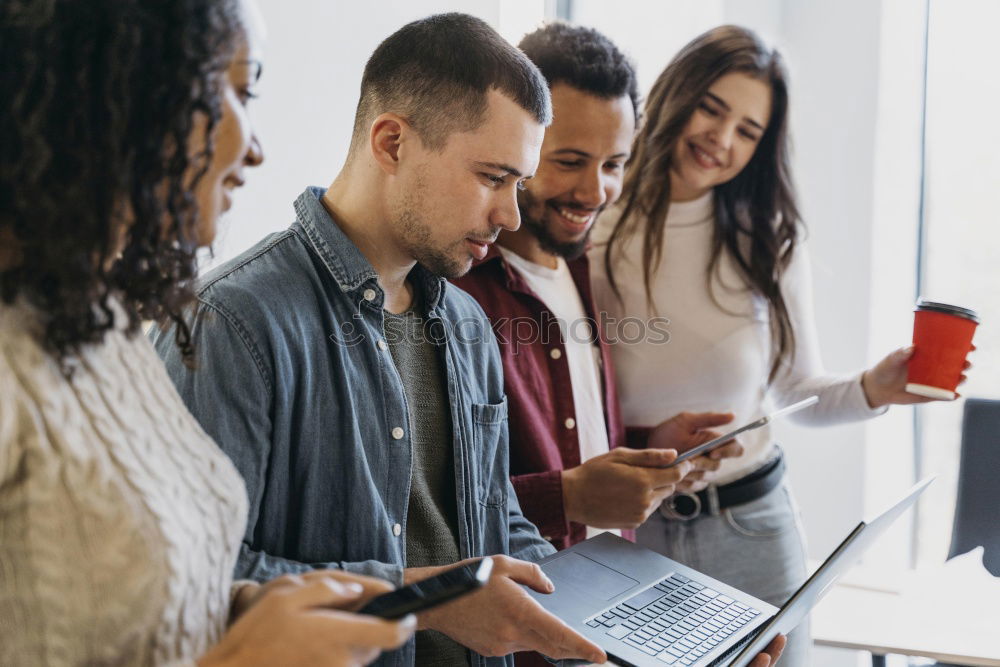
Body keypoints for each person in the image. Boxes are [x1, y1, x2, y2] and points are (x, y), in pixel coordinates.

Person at [152, 13, 608, 667]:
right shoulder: (230, 323)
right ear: (391, 143)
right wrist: (427, 599)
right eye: (492, 177)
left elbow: (496, 526)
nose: (510, 215)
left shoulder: (470, 324)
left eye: (519, 185)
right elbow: (194, 584)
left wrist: (620, 641)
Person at [0, 0, 414, 665]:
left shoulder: (99, 326)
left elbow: (109, 606)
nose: (256, 148)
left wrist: (244, 608)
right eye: (241, 93)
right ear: (130, 93)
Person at [590, 25, 967, 666]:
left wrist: (874, 388)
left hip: (752, 529)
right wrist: (646, 437)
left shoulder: (766, 239)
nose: (722, 139)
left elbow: (798, 394)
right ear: (677, 93)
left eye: (748, 129)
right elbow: (564, 399)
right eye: (712, 108)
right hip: (630, 533)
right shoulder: (594, 222)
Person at [453, 22, 785, 667]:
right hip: (530, 636)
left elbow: (564, 428)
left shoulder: (577, 264)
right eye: (570, 161)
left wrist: (643, 440)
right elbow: (432, 510)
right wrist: (569, 496)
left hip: (616, 612)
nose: (595, 192)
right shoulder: (463, 295)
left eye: (614, 165)